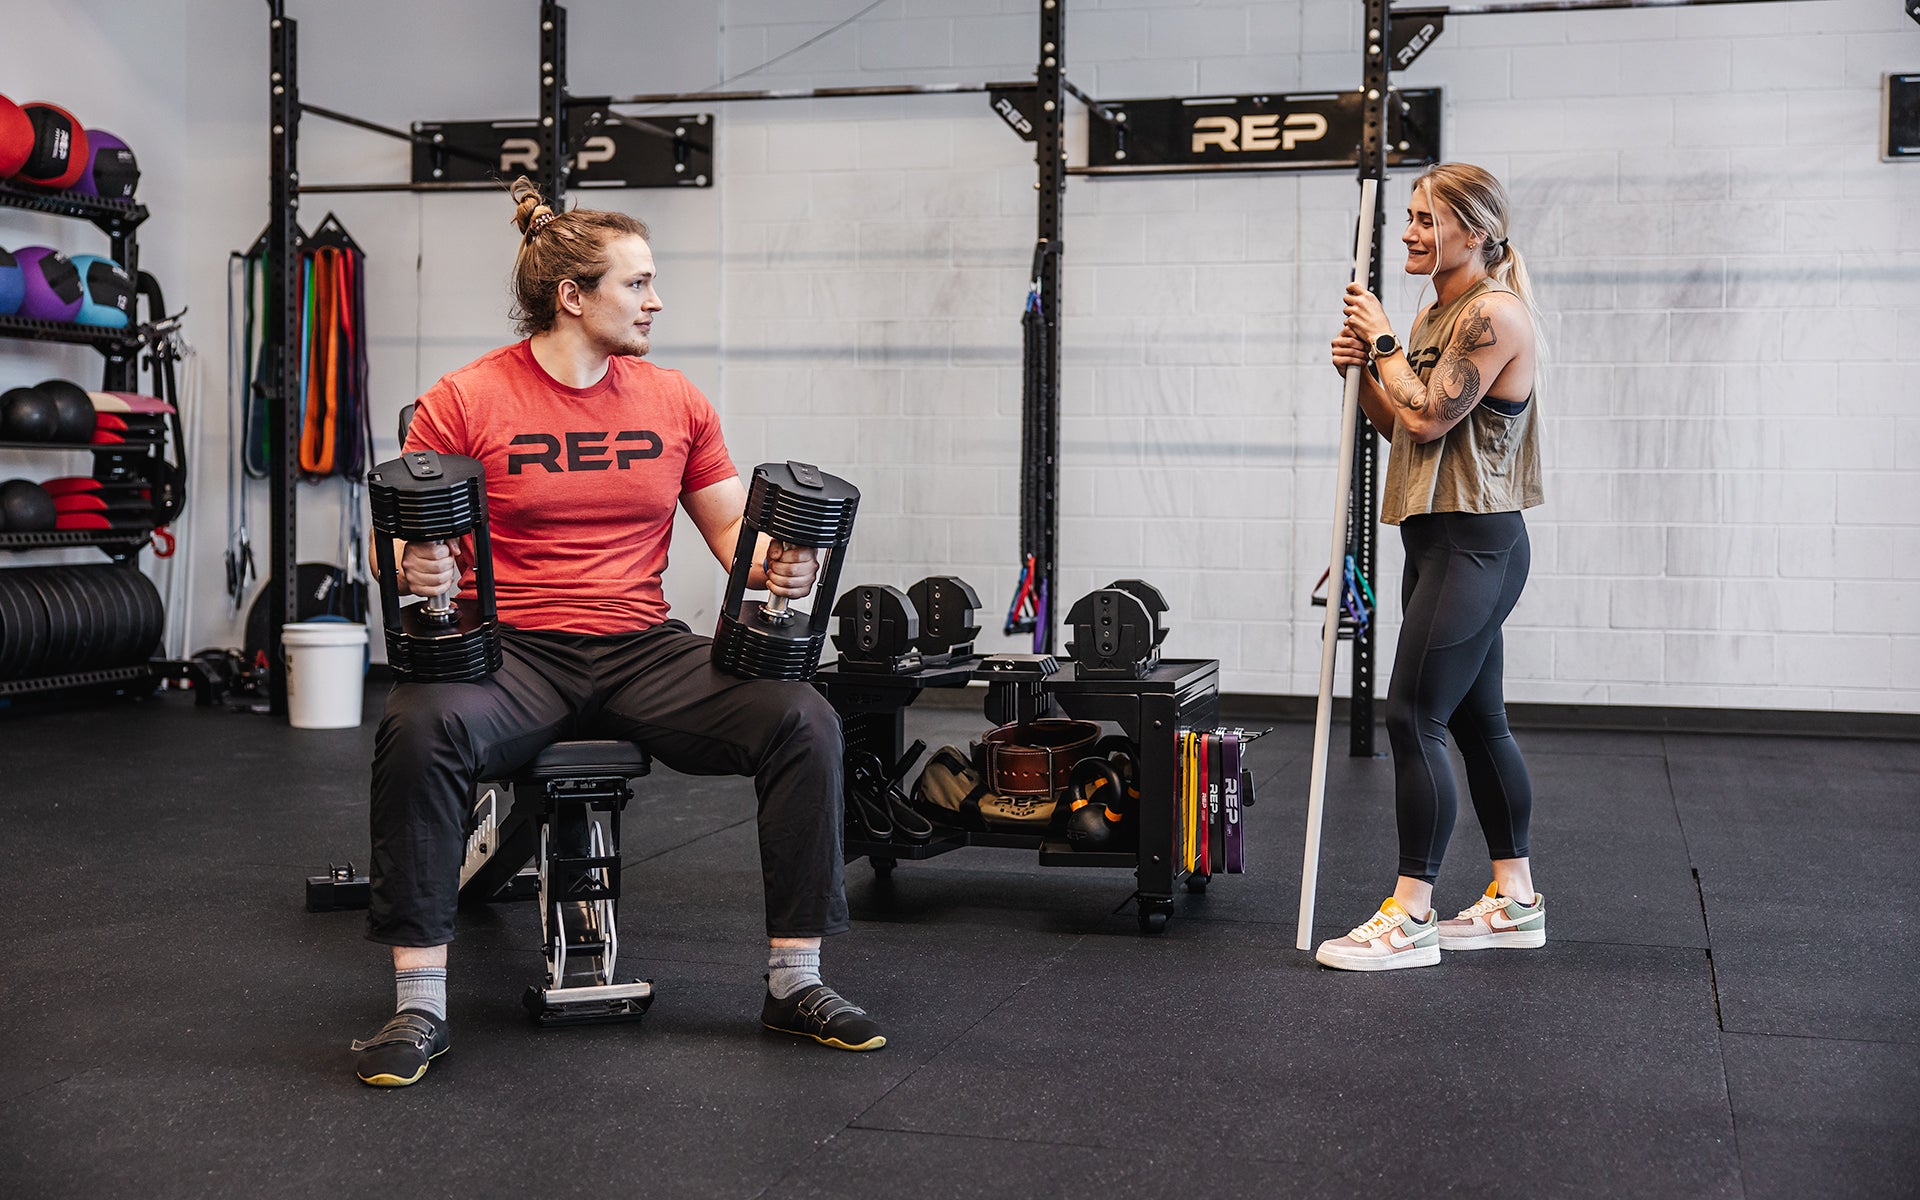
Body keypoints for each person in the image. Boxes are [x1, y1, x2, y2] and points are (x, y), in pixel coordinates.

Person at [351, 179, 882, 1088]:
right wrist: (411, 565)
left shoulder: (674, 400)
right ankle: (420, 1002)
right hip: (512, 650)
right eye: (637, 283)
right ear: (573, 296)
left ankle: (796, 982)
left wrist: (775, 570)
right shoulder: (468, 398)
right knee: (420, 725)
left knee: (804, 717)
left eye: (651, 283)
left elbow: (728, 534)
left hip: (642, 645)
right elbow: (396, 540)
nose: (655, 301)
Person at [1316, 162, 1547, 972]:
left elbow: (1426, 414)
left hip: (1476, 545)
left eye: (1425, 219)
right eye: (1409, 217)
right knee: (1480, 723)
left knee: (1414, 718)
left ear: (1474, 232)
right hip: (1437, 543)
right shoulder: (1436, 312)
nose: (1410, 232)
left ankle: (1411, 914)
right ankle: (1514, 900)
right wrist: (1362, 369)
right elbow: (1402, 424)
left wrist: (1381, 340)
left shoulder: (1494, 316)